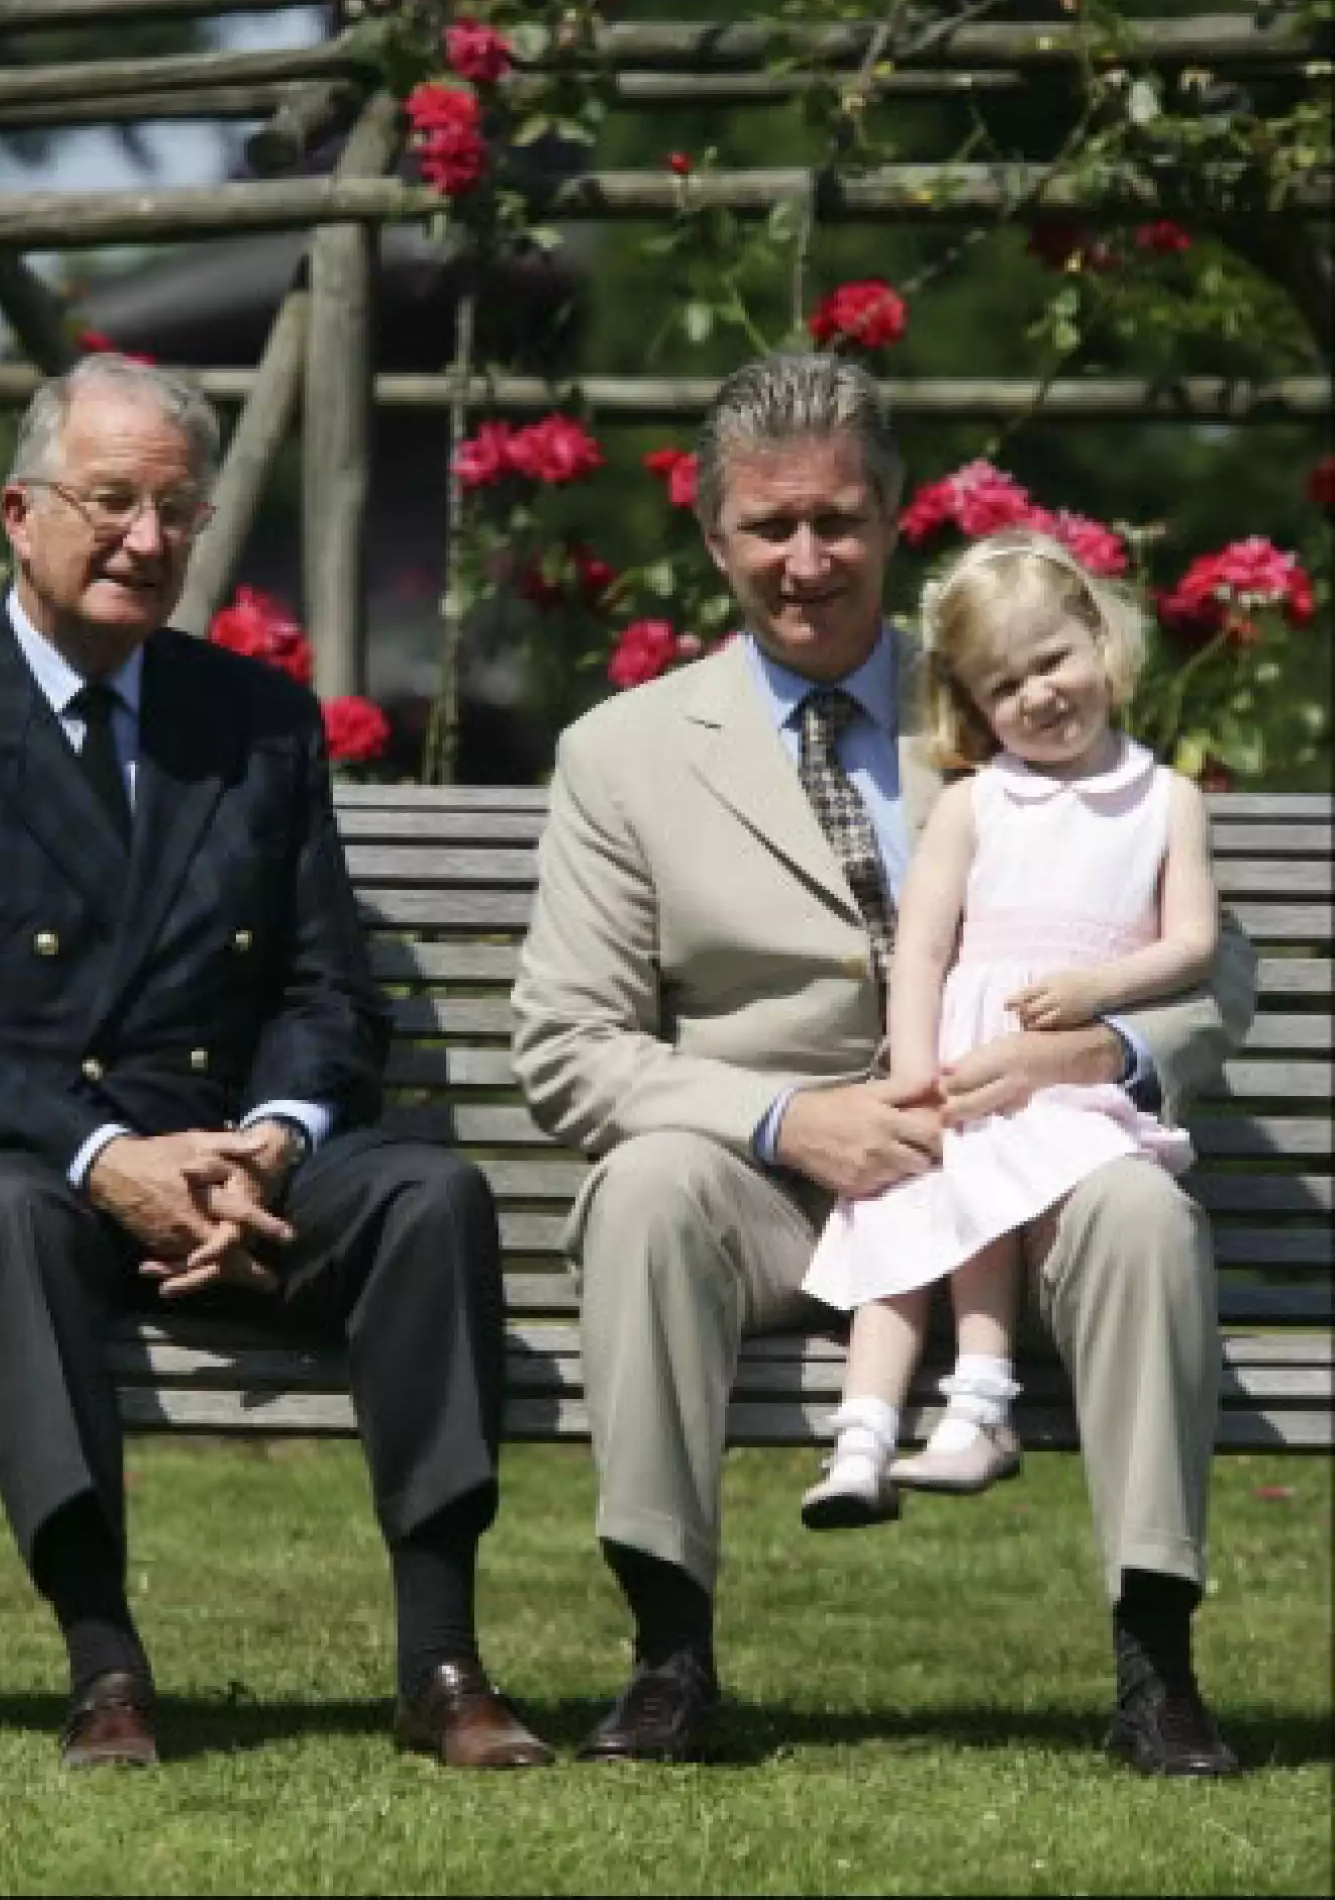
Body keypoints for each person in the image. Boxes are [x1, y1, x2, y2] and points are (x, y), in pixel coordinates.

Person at [0, 353, 552, 1773]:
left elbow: (329, 986)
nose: (145, 540)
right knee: (16, 1213)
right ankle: (104, 1665)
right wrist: (104, 1158)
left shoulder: (256, 721)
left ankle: (443, 1662)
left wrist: (270, 1138)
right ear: (22, 513)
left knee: (428, 1196)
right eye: (110, 502)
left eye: (176, 512)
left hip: (222, 1171)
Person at [511, 349, 1255, 1777]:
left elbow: (1215, 961)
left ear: (897, 513)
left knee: (1146, 1211)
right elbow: (570, 1045)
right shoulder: (623, 753)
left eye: (838, 521)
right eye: (769, 527)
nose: (806, 560)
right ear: (716, 536)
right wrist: (793, 1118)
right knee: (649, 1190)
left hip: (1024, 1175)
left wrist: (1107, 1045)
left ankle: (1158, 1667)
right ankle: (668, 1655)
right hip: (776, 1192)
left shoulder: (1006, 683)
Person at [800, 531, 1216, 1530]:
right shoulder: (972, 805)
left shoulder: (1166, 802)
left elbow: (1194, 943)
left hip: (1066, 1082)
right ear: (971, 705)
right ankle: (861, 1438)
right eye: (1002, 684)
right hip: (959, 1069)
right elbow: (923, 953)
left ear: (1101, 640)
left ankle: (979, 1404)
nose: (1036, 694)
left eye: (1051, 660)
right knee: (899, 1215)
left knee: (1003, 1188)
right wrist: (913, 1076)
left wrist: (1097, 989)